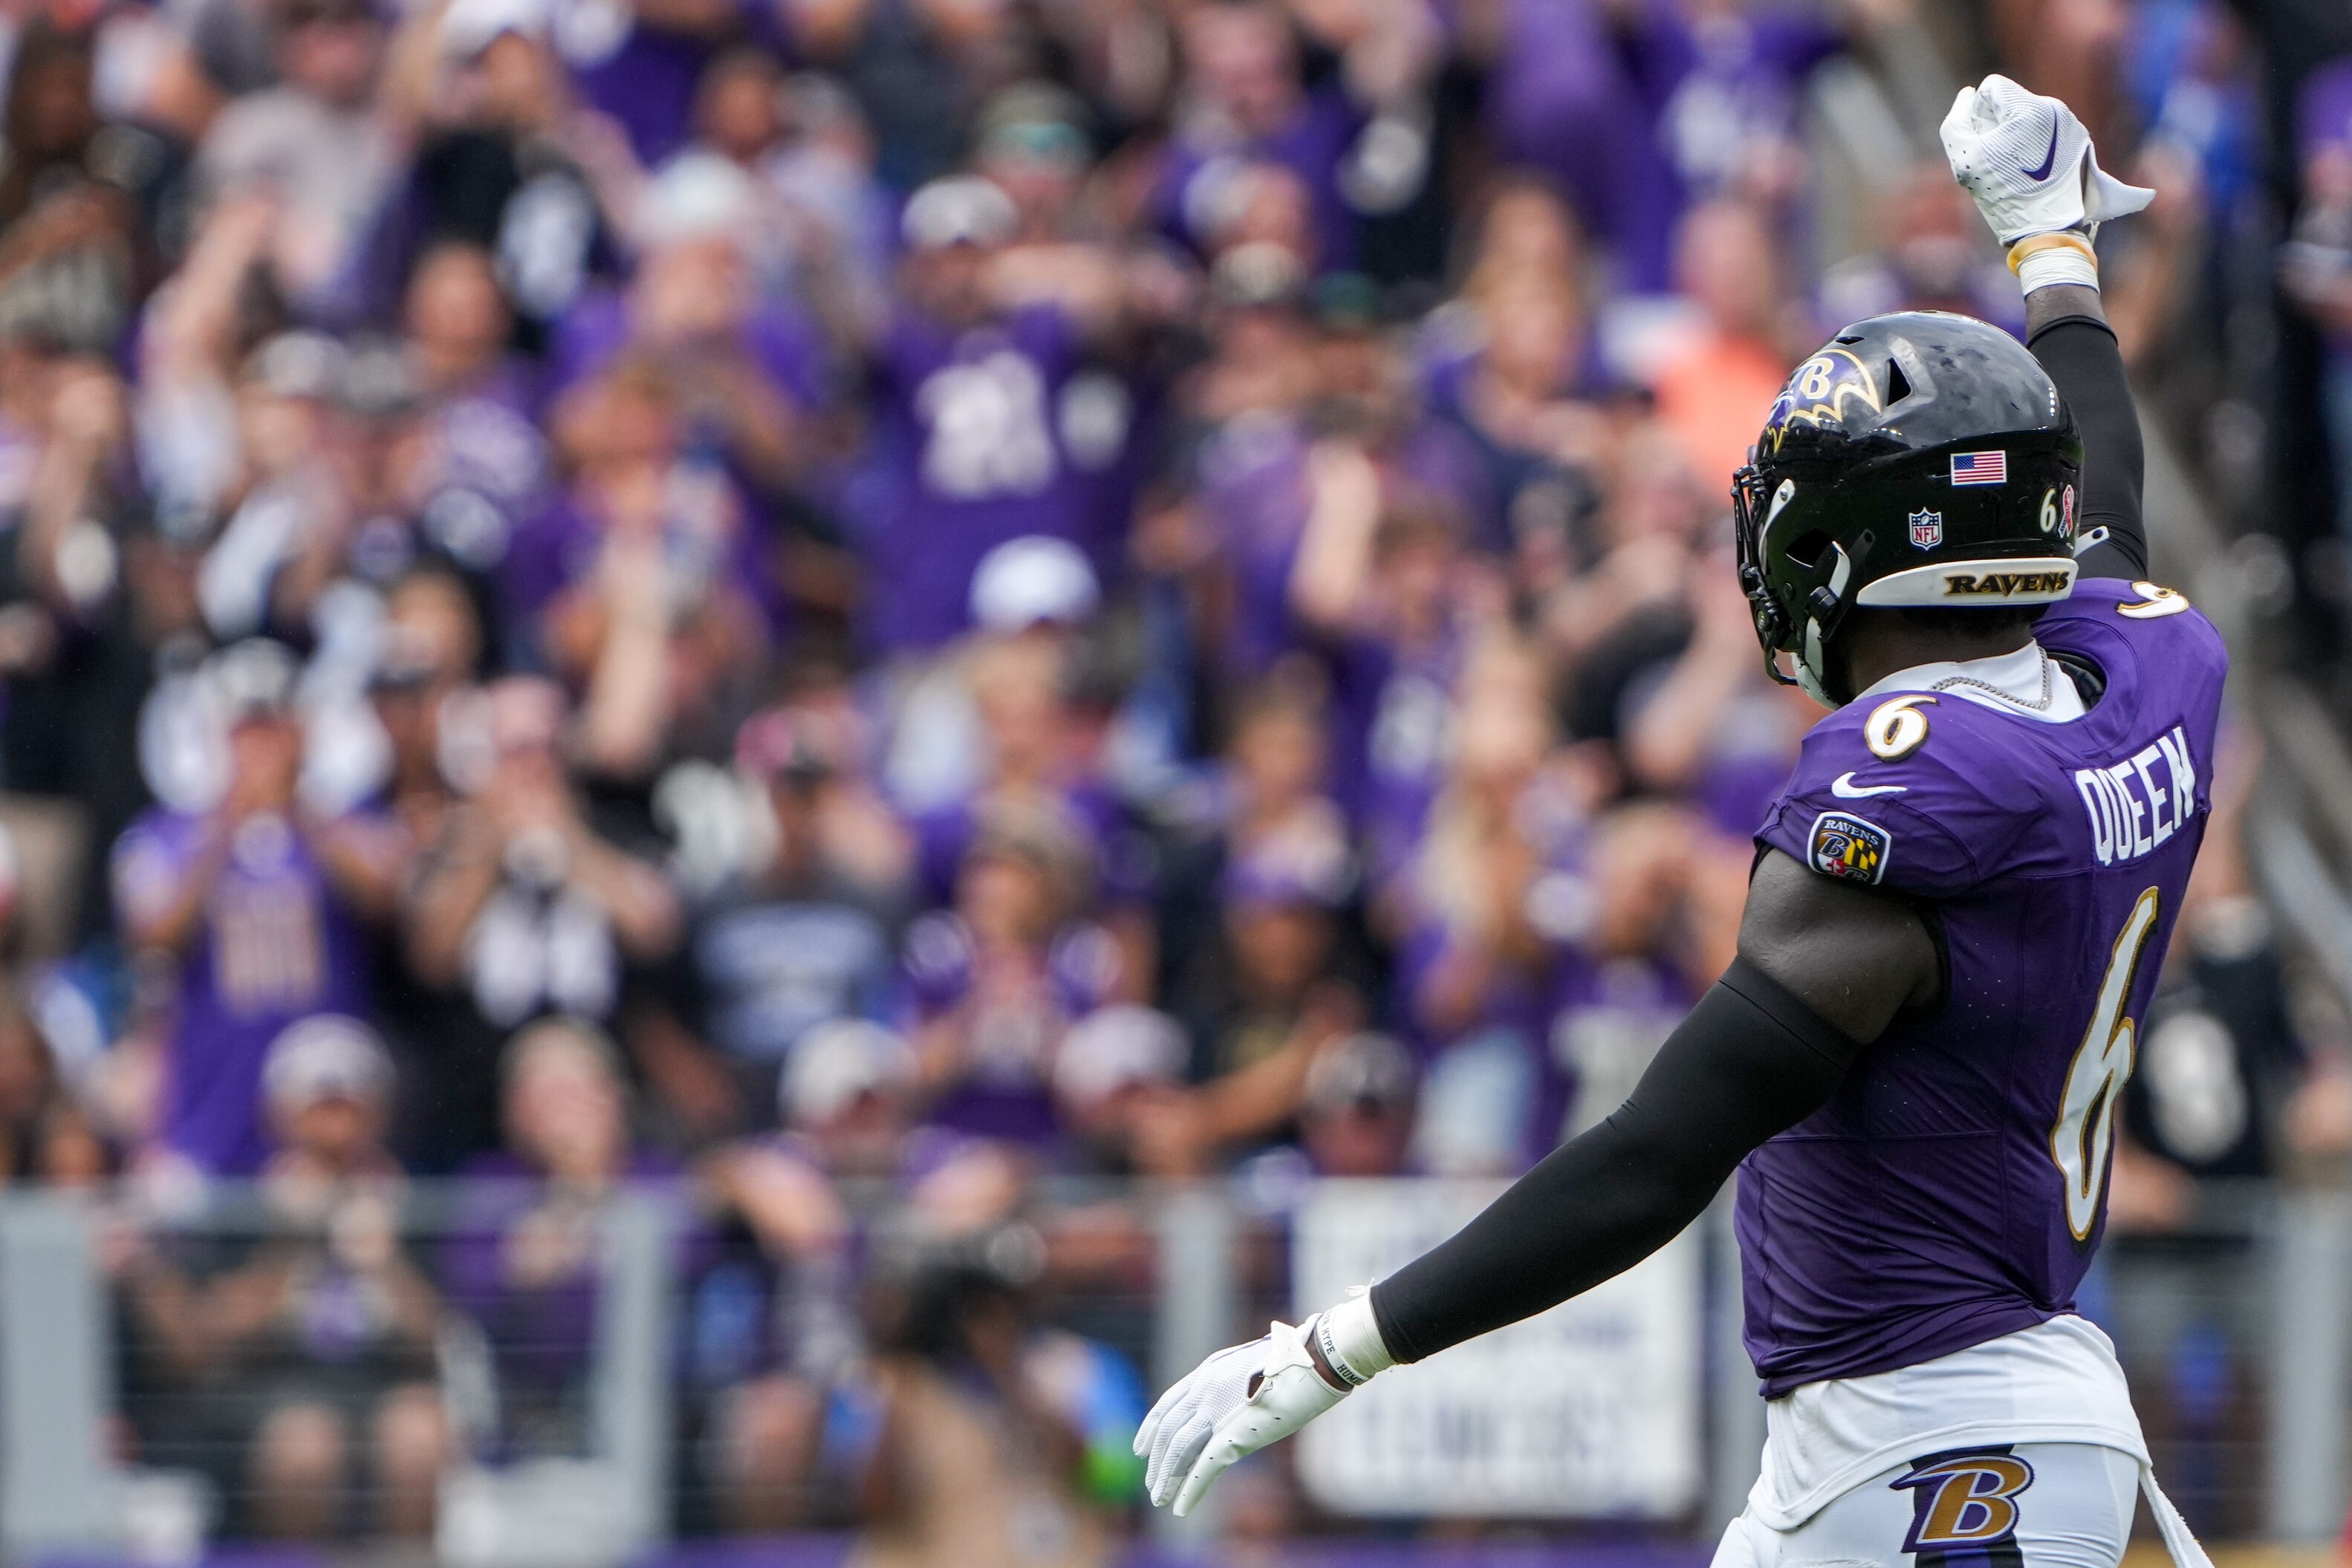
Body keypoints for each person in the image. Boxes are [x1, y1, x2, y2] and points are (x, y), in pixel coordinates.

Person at [1134, 77, 2229, 1568]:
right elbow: (2098, 492)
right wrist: (2051, 251)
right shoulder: (2135, 671)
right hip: (1932, 1429)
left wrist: (1328, 1353)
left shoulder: (1905, 798)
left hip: (1938, 1446)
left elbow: (1658, 1153)